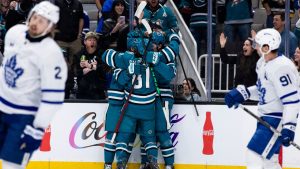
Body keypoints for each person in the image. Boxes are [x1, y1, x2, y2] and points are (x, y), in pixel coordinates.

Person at [0, 1, 67, 169]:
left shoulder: (52, 54)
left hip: (23, 116)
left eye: (42, 21)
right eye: (35, 17)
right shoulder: (14, 33)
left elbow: (53, 98)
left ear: (51, 26)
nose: (36, 23)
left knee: (11, 165)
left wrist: (37, 129)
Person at [225, 28, 300, 169]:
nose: (255, 47)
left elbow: (291, 101)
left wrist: (289, 127)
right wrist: (244, 93)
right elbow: (263, 91)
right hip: (265, 117)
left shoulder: (282, 67)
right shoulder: (263, 63)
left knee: (253, 154)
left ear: (267, 47)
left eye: (258, 44)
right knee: (269, 161)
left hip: (276, 119)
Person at [73, 31, 111, 100]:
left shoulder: (102, 54)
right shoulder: (78, 55)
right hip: (83, 91)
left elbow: (105, 69)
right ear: (85, 42)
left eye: (94, 40)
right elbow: (76, 72)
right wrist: (92, 67)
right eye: (89, 40)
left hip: (98, 90)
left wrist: (89, 66)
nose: (92, 42)